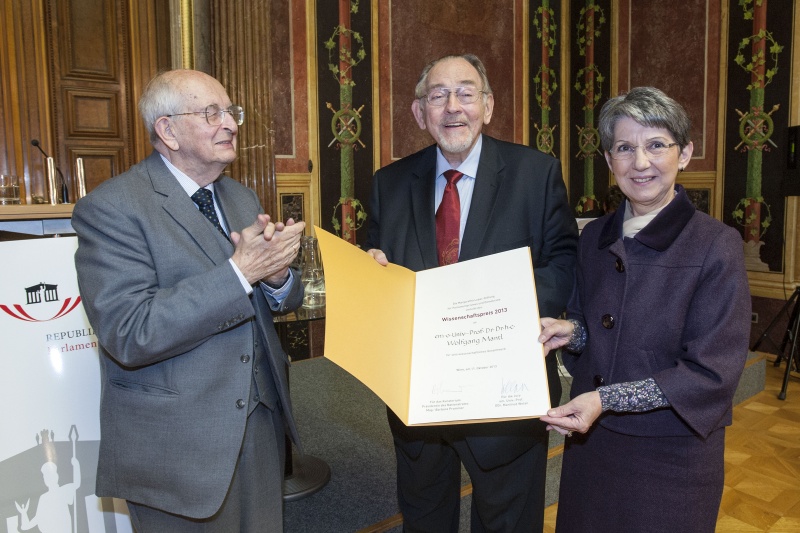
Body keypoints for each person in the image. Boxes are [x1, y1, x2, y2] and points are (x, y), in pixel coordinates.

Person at [72, 69, 305, 532]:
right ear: (168, 130)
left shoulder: (240, 197)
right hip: (178, 446)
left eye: (231, 112)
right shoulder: (112, 208)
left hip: (259, 426)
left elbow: (278, 297)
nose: (231, 124)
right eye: (211, 113)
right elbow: (130, 332)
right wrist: (241, 272)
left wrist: (278, 276)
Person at [365, 54, 578, 532]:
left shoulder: (536, 173)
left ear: (488, 106)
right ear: (419, 112)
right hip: (419, 397)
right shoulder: (388, 184)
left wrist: (505, 311)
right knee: (424, 519)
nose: (452, 107)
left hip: (506, 395)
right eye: (438, 96)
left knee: (507, 522)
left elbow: (564, 262)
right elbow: (376, 263)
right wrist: (371, 271)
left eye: (465, 93)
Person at [538, 86, 751, 532]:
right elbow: (596, 328)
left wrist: (607, 399)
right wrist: (571, 332)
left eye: (656, 145)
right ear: (609, 159)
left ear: (684, 153)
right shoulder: (593, 237)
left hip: (671, 456)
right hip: (593, 450)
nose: (640, 162)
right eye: (624, 148)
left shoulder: (716, 244)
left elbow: (712, 372)